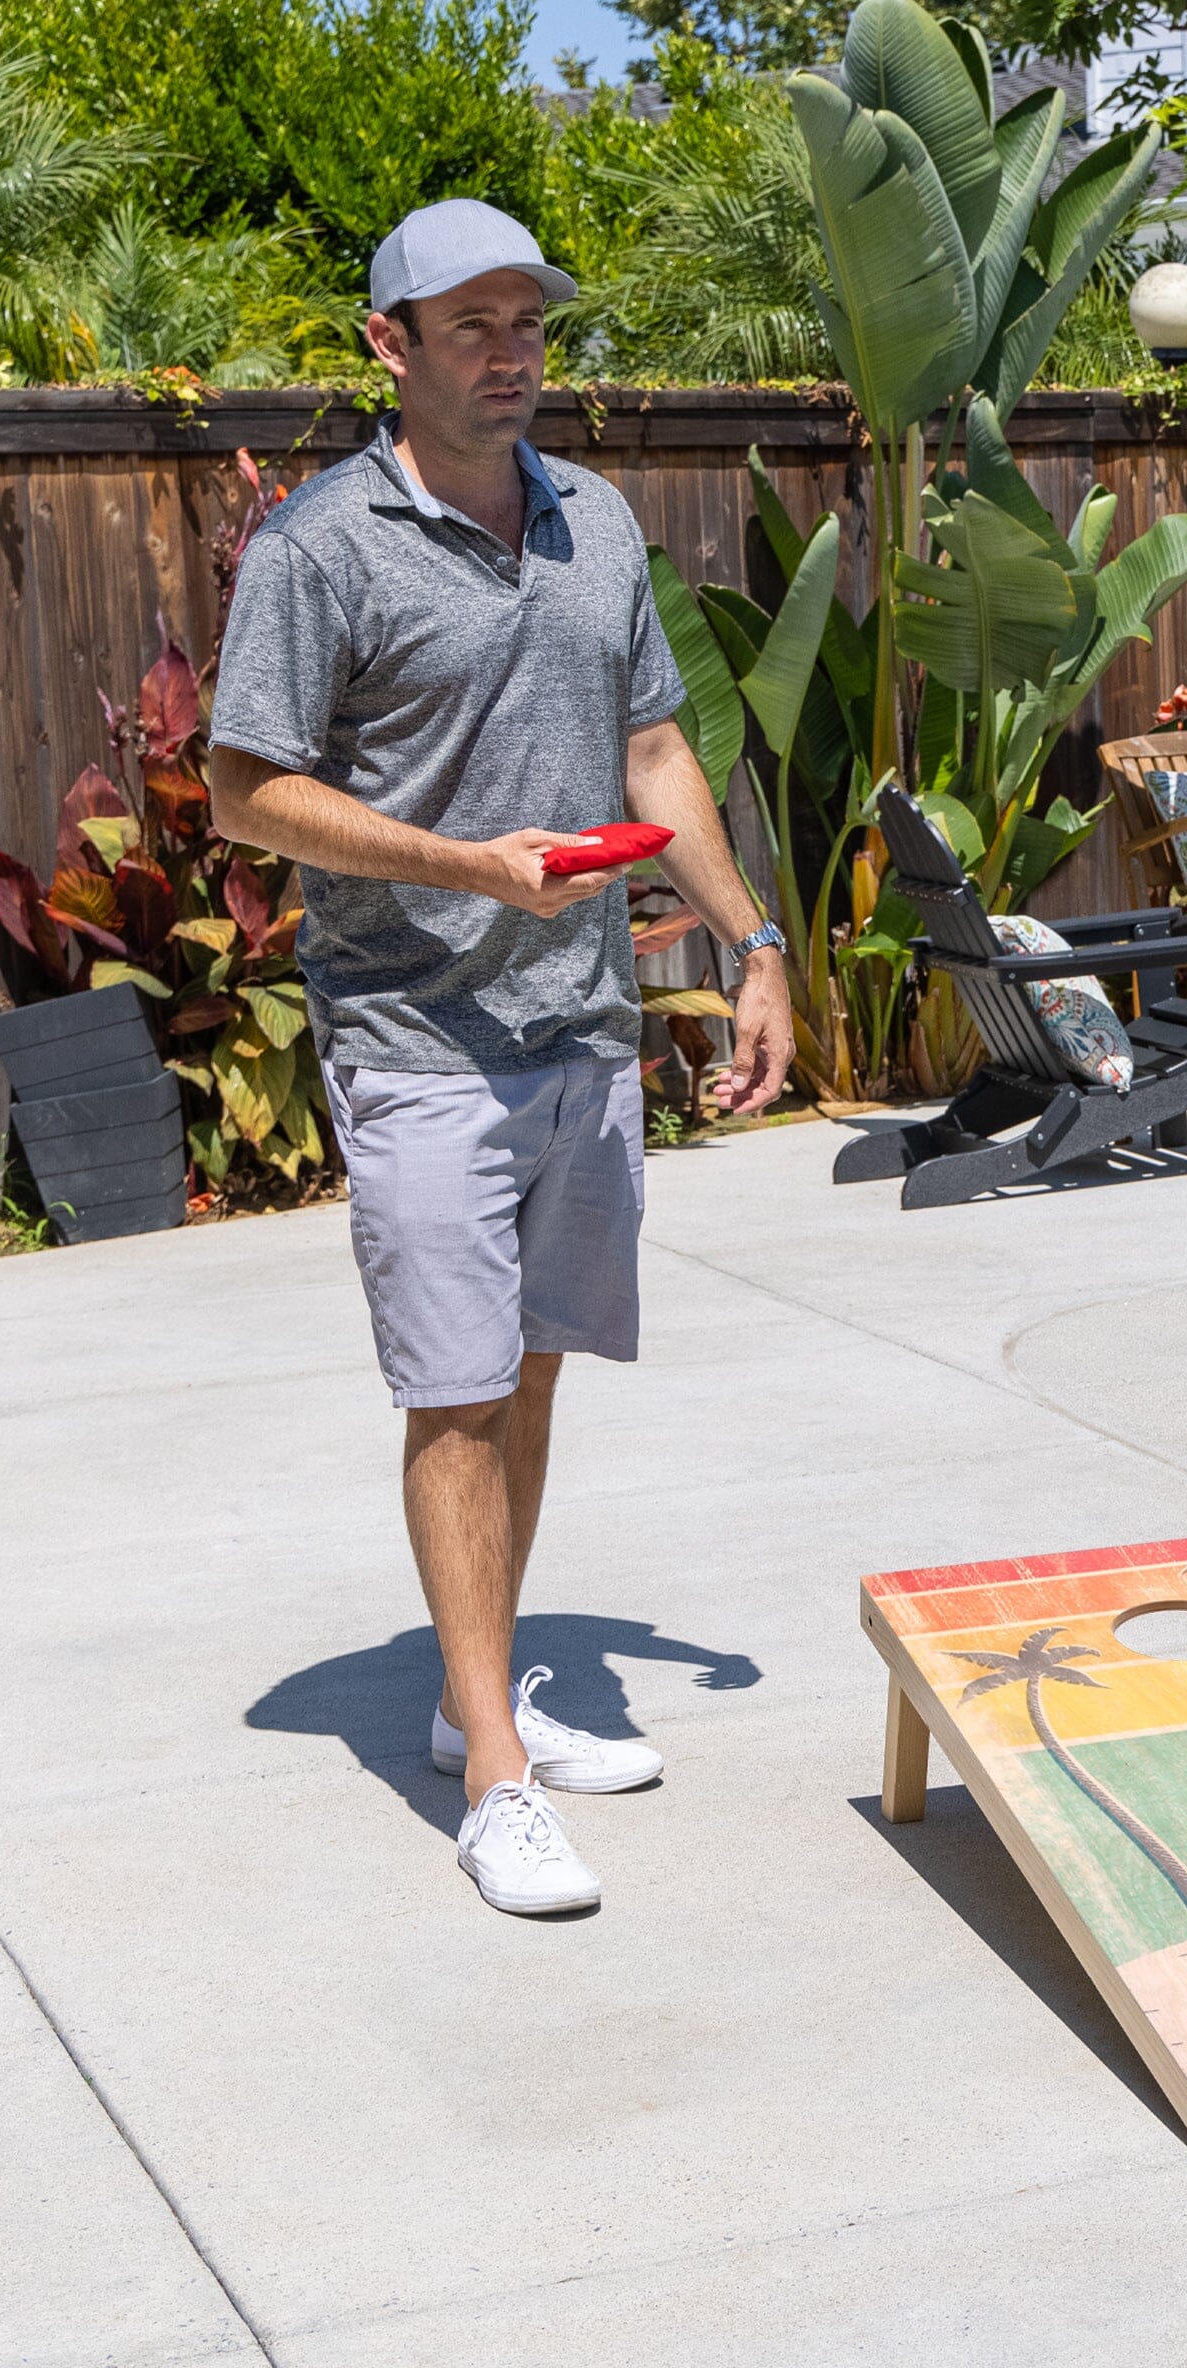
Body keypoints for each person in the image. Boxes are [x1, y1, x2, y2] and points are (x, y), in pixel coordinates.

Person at [207, 199, 797, 1916]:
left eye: (527, 320)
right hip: (414, 1031)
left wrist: (753, 945)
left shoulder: (593, 519)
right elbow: (249, 794)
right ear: (388, 345)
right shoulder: (324, 549)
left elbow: (657, 745)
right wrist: (471, 863)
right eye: (469, 324)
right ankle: (495, 1771)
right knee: (454, 1391)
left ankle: (494, 1696)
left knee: (529, 1370)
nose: (512, 351)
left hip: (580, 1028)